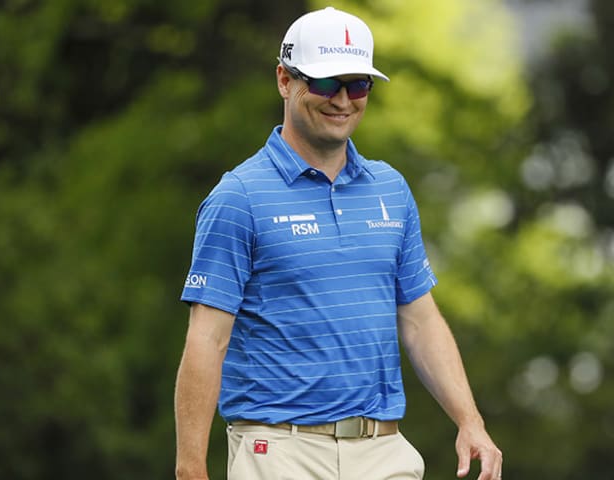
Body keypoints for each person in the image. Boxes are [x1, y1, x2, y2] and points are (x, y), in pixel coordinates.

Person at [174, 6, 502, 480]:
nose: (343, 100)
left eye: (358, 85)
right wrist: (190, 470)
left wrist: (470, 421)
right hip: (280, 451)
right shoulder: (238, 197)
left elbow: (420, 319)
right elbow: (207, 340)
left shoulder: (390, 189)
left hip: (384, 451)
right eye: (326, 84)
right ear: (285, 81)